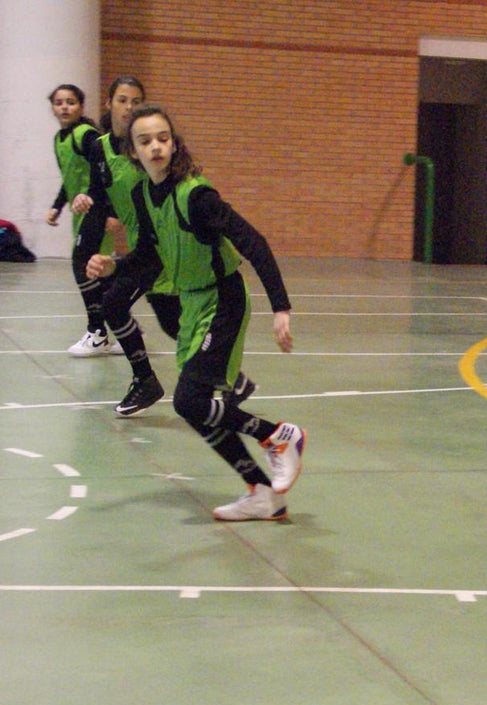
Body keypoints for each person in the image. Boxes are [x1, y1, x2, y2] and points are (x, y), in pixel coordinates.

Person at [86, 104, 305, 521]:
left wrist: (281, 307)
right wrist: (116, 265)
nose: (155, 147)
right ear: (132, 151)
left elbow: (253, 241)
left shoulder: (197, 196)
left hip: (223, 300)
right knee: (195, 406)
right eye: (145, 141)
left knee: (189, 400)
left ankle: (279, 436)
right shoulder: (143, 195)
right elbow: (151, 255)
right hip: (193, 302)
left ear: (174, 142)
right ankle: (263, 493)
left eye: (162, 138)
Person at [71, 77, 255, 417]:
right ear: (109, 103)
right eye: (122, 100)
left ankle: (145, 381)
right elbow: (101, 190)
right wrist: (89, 201)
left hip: (160, 246)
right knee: (173, 322)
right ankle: (233, 380)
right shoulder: (101, 148)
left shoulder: (150, 150)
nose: (129, 107)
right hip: (145, 247)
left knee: (112, 303)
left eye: (135, 100)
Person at [46, 83, 121, 357]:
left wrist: (113, 212)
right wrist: (56, 207)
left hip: (99, 210)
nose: (64, 106)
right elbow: (70, 180)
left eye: (71, 101)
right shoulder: (59, 140)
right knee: (100, 272)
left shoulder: (87, 136)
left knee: (84, 266)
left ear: (80, 106)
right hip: (82, 213)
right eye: (59, 102)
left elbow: (106, 174)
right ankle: (127, 329)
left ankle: (98, 332)